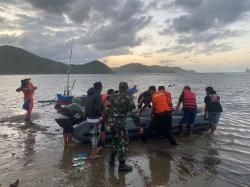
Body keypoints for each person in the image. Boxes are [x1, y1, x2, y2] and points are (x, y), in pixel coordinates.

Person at [107, 82, 143, 172]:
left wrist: (109, 120)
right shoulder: (128, 99)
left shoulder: (112, 96)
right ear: (127, 89)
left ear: (119, 88)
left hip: (112, 123)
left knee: (115, 140)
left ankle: (111, 159)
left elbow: (107, 109)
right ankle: (122, 165)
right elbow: (134, 114)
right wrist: (139, 126)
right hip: (120, 124)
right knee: (123, 142)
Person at [85, 82, 103, 159]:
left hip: (89, 118)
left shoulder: (89, 95)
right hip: (95, 119)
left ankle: (94, 151)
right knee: (95, 136)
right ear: (100, 87)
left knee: (93, 135)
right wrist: (101, 114)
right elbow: (97, 109)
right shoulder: (98, 95)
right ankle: (93, 154)